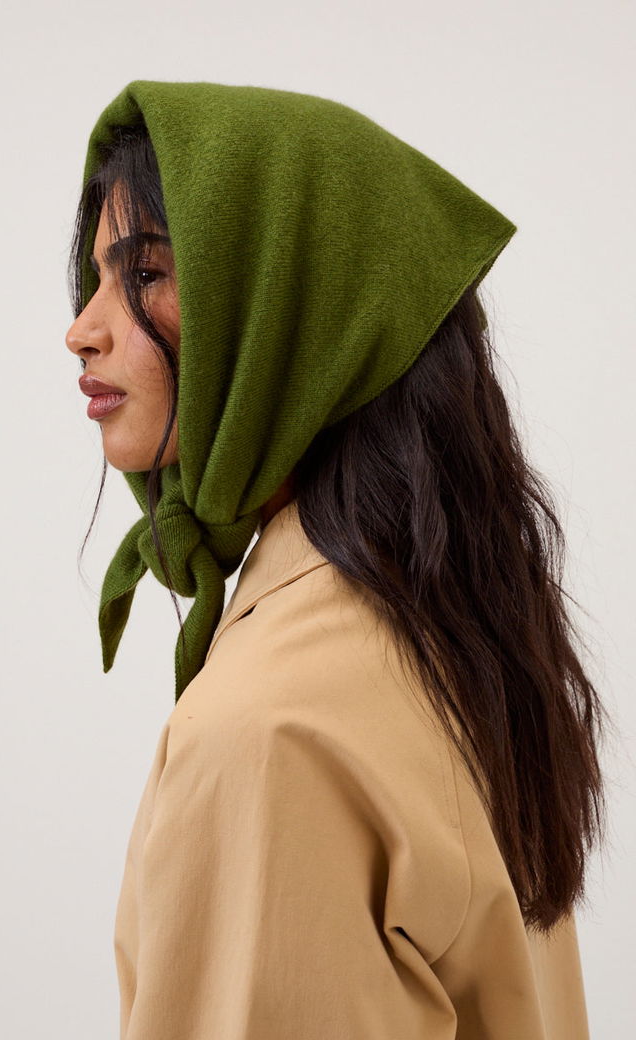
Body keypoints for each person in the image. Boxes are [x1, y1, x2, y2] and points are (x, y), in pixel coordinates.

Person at [64, 80, 608, 1039]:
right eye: (96, 280)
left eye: (145, 273)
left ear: (293, 311)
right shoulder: (459, 640)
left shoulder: (269, 730)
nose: (83, 329)